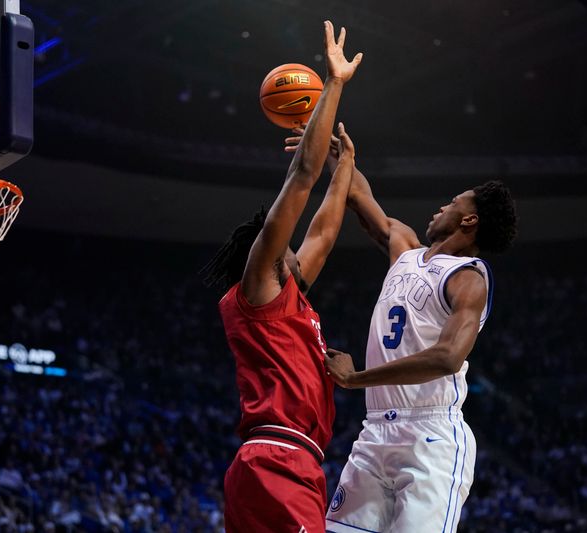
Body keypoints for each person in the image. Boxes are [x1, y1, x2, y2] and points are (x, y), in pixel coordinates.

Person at [283, 132, 517, 532]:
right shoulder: (405, 248)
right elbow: (356, 193)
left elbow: (447, 358)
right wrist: (335, 152)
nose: (441, 207)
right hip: (375, 431)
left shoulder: (468, 279)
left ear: (469, 219)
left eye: (452, 203)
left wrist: (357, 379)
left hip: (431, 437)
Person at [200, 20, 362, 533]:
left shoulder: (287, 293)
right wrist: (333, 85)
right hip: (277, 460)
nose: (298, 247)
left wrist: (347, 170)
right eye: (286, 244)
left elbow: (325, 233)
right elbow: (300, 179)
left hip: (291, 464)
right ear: (266, 253)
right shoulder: (258, 287)